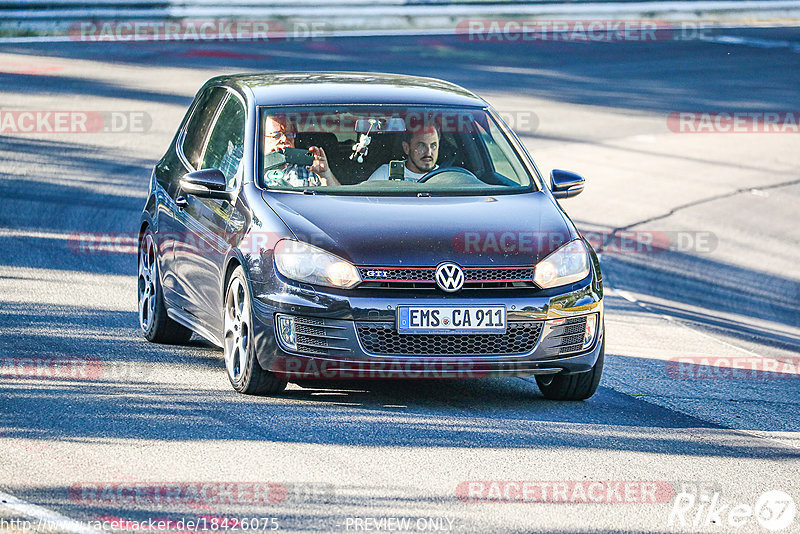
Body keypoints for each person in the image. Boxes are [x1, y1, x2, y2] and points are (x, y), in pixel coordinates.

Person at [262, 115, 340, 187]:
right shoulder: (253, 170)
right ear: (261, 139)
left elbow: (336, 198)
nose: (285, 139)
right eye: (276, 135)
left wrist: (325, 175)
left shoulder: (310, 170)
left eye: (289, 134)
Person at [367, 124, 439, 181]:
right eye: (421, 146)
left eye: (433, 146)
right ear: (406, 148)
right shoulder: (386, 174)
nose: (428, 153)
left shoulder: (445, 176)